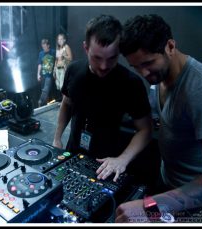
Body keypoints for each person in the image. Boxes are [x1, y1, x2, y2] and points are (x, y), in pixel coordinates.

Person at [116, 14, 202, 223]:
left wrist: (151, 207)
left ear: (170, 46)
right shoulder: (159, 77)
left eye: (148, 63)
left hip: (196, 207)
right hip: (167, 183)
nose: (143, 73)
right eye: (135, 67)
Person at [52, 14, 153, 182]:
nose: (104, 66)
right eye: (97, 58)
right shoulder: (73, 70)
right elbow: (66, 104)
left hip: (107, 164)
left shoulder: (131, 84)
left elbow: (146, 130)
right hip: (72, 152)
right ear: (85, 48)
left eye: (112, 58)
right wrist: (57, 138)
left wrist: (123, 159)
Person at [37, 38, 56, 107]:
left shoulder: (53, 52)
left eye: (45, 47)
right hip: (43, 75)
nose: (44, 48)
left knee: (46, 89)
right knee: (44, 90)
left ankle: (40, 102)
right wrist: (38, 74)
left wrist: (55, 71)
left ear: (48, 45)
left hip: (50, 75)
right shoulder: (41, 53)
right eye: (43, 47)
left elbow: (57, 61)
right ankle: (44, 105)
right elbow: (39, 64)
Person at [54, 33, 73, 101]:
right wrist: (54, 70)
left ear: (64, 40)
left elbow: (70, 58)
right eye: (58, 39)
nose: (60, 41)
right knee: (59, 86)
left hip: (63, 69)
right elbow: (56, 60)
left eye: (61, 39)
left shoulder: (66, 47)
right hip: (57, 69)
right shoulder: (57, 48)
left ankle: (65, 102)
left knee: (63, 86)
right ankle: (64, 101)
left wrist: (64, 56)